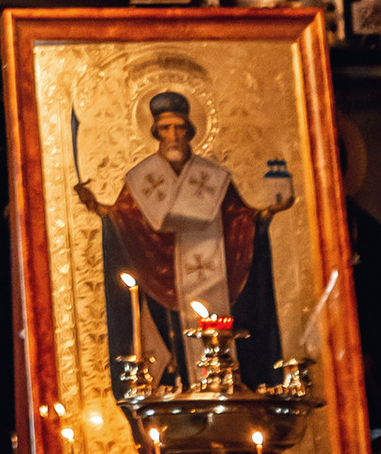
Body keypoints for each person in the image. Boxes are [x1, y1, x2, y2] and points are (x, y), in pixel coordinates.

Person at [78, 86, 293, 386]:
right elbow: (125, 219)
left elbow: (240, 218)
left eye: (179, 127)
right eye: (166, 128)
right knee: (173, 349)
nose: (174, 135)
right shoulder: (141, 178)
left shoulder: (214, 177)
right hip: (161, 281)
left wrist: (268, 213)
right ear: (155, 131)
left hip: (213, 277)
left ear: (190, 130)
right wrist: (99, 209)